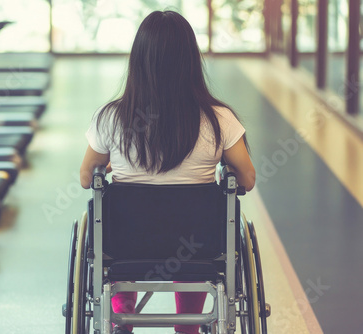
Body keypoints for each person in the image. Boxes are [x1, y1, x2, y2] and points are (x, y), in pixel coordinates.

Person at [80, 10, 255, 334]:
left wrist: (112, 165)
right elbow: (246, 179)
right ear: (191, 60)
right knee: (196, 229)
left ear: (138, 61)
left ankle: (122, 314)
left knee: (112, 216)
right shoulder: (220, 119)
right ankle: (187, 325)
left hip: (125, 244)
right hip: (197, 244)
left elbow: (84, 176)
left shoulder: (110, 118)